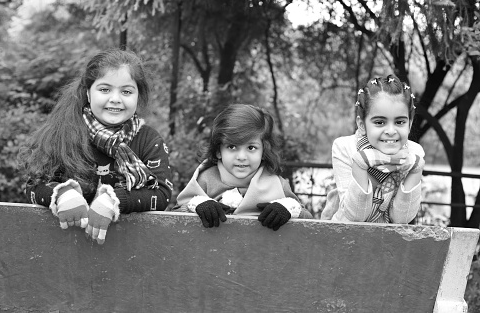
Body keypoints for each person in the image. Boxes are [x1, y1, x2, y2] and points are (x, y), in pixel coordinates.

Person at [18, 48, 172, 244]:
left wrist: (114, 200)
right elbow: (33, 186)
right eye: (105, 89)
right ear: (88, 94)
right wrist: (61, 195)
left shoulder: (149, 139)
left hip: (128, 249)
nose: (115, 99)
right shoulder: (63, 134)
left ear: (138, 97)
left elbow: (162, 193)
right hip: (65, 247)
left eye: (126, 91)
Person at [173, 104, 312, 231]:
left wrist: (289, 208)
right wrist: (197, 205)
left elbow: (309, 221)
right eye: (232, 147)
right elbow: (172, 217)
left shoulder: (276, 183)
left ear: (263, 151)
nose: (241, 156)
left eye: (251, 148)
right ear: (218, 151)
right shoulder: (206, 179)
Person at [321, 75, 425, 223]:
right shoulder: (344, 148)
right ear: (362, 124)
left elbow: (401, 219)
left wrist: (416, 168)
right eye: (380, 122)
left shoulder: (415, 154)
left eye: (400, 122)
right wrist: (362, 162)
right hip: (343, 237)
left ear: (410, 123)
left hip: (387, 241)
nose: (390, 130)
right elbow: (356, 215)